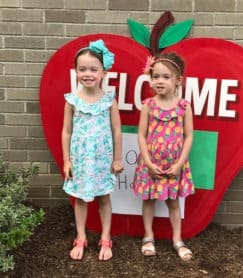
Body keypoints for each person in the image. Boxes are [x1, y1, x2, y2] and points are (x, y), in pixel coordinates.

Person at [61, 39, 123, 261]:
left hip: (102, 159)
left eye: (93, 69)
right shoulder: (72, 100)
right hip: (79, 159)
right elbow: (66, 131)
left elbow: (117, 130)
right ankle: (81, 236)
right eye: (82, 69)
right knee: (80, 198)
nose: (88, 73)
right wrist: (67, 160)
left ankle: (106, 237)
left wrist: (117, 159)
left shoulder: (109, 100)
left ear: (103, 72)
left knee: (104, 197)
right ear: (76, 71)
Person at [133, 52, 195, 261]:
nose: (159, 81)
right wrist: (148, 163)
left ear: (178, 80)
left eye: (166, 77)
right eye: (156, 76)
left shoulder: (184, 106)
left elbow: (188, 136)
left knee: (174, 203)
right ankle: (148, 236)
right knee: (149, 200)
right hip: (152, 164)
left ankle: (177, 239)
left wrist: (180, 163)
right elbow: (141, 134)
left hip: (174, 166)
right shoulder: (148, 105)